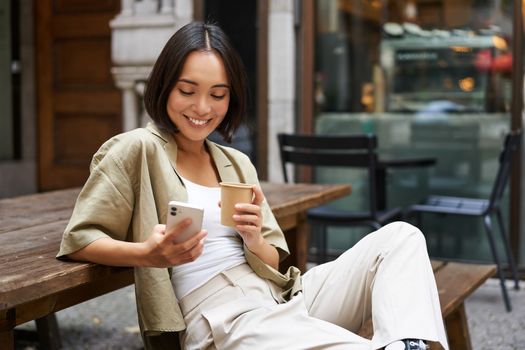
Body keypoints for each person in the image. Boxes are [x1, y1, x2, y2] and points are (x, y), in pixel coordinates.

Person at [57, 21, 448, 350]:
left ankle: (404, 343)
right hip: (220, 318)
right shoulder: (138, 149)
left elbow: (275, 259)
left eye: (218, 94)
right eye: (187, 91)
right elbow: (80, 239)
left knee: (400, 237)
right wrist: (149, 253)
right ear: (164, 87)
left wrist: (252, 237)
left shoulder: (235, 162)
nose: (202, 108)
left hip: (280, 298)